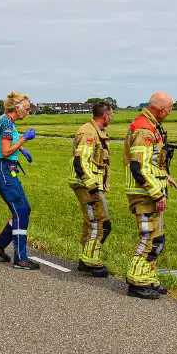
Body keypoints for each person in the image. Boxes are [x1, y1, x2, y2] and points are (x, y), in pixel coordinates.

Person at [123, 91, 177, 299]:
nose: (170, 113)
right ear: (162, 109)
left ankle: (148, 277)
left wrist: (165, 177)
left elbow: (152, 163)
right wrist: (156, 193)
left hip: (150, 191)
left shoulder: (149, 125)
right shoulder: (145, 130)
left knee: (157, 237)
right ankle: (136, 281)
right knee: (149, 237)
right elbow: (139, 167)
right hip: (144, 193)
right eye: (169, 109)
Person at [0, 91, 40, 270]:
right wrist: (25, 139)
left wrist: (21, 150)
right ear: (16, 109)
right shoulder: (8, 123)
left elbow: (6, 145)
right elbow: (5, 151)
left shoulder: (5, 121)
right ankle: (21, 259)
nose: (28, 112)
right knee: (20, 211)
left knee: (24, 209)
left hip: (4, 168)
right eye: (26, 109)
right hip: (3, 169)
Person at [69, 101, 114, 277]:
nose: (111, 118)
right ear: (105, 116)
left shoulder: (95, 130)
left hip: (89, 184)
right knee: (98, 221)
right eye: (111, 115)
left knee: (93, 221)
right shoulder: (88, 133)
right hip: (87, 185)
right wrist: (92, 186)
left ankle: (85, 258)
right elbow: (80, 162)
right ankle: (90, 261)